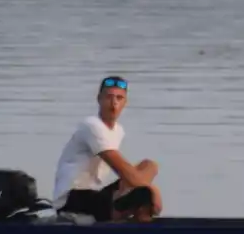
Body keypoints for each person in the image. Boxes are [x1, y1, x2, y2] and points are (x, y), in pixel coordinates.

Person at [53, 75, 163, 222]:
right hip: (71, 199)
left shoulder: (118, 131)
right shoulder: (91, 126)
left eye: (119, 98)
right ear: (99, 99)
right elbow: (122, 169)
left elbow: (130, 176)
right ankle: (133, 218)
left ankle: (132, 213)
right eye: (109, 97)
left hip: (96, 194)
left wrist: (142, 191)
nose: (114, 103)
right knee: (143, 193)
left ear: (125, 102)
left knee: (149, 166)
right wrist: (152, 192)